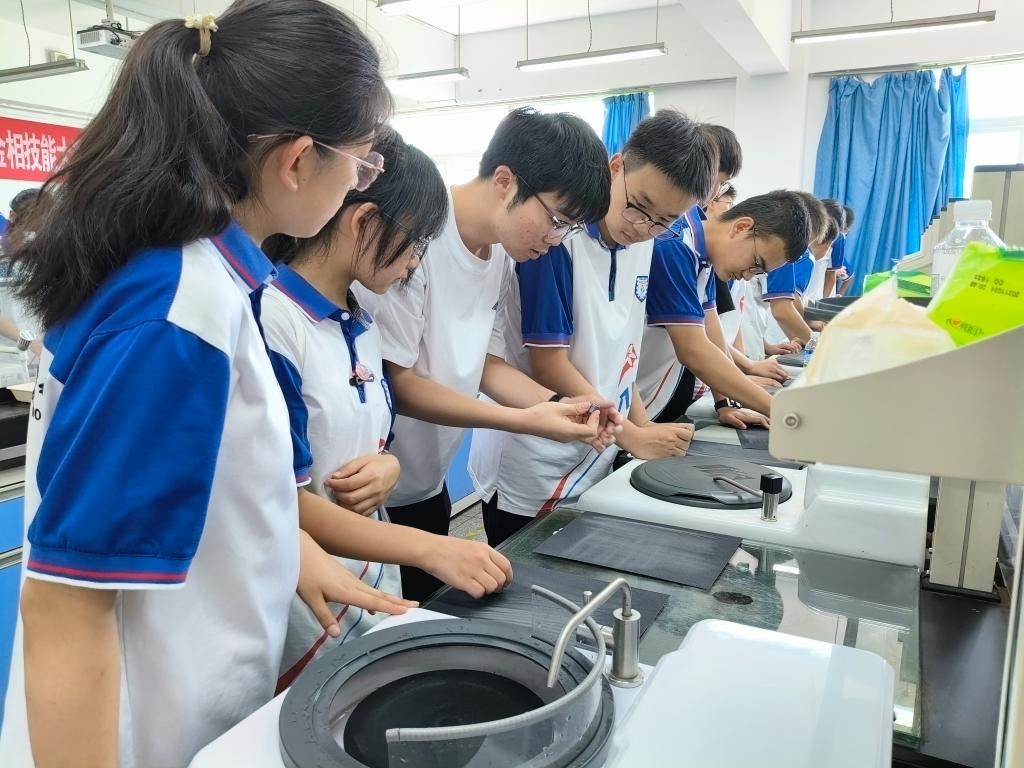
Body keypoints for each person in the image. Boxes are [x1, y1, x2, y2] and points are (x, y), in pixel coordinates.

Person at [0, 4, 416, 767]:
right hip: (134, 738)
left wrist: (290, 554)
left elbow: (223, 488)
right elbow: (67, 603)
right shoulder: (176, 310)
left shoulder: (209, 277)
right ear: (298, 162)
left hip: (202, 712)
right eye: (362, 165)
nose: (361, 183)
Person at [261, 128, 513, 688]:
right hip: (303, 597)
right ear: (364, 222)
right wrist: (431, 549)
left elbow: (372, 439)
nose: (415, 264)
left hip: (369, 575)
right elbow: (278, 501)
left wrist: (389, 466)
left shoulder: (361, 323)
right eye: (416, 245)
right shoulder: (274, 321)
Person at [355, 107, 621, 602]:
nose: (554, 240)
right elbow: (399, 384)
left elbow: (486, 364)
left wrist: (557, 405)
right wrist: (524, 421)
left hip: (426, 481)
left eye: (567, 230)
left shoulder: (500, 252)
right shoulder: (416, 235)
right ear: (504, 181)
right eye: (556, 221)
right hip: (373, 488)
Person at [469, 109, 718, 546]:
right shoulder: (554, 239)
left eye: (664, 221)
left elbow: (622, 358)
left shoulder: (647, 243)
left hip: (599, 446)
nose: (643, 228)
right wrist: (632, 436)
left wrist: (641, 428)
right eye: (639, 206)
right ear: (616, 167)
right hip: (537, 461)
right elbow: (548, 363)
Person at [636, 191, 812, 426]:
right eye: (755, 264)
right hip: (624, 403)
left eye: (759, 272)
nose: (748, 276)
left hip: (646, 399)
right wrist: (786, 412)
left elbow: (713, 335)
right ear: (741, 227)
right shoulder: (676, 246)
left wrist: (725, 403)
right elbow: (693, 349)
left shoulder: (706, 254)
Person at [756, 191, 827, 348]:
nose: (800, 251)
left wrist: (766, 346)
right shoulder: (786, 249)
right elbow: (782, 309)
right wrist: (818, 345)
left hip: (753, 339)